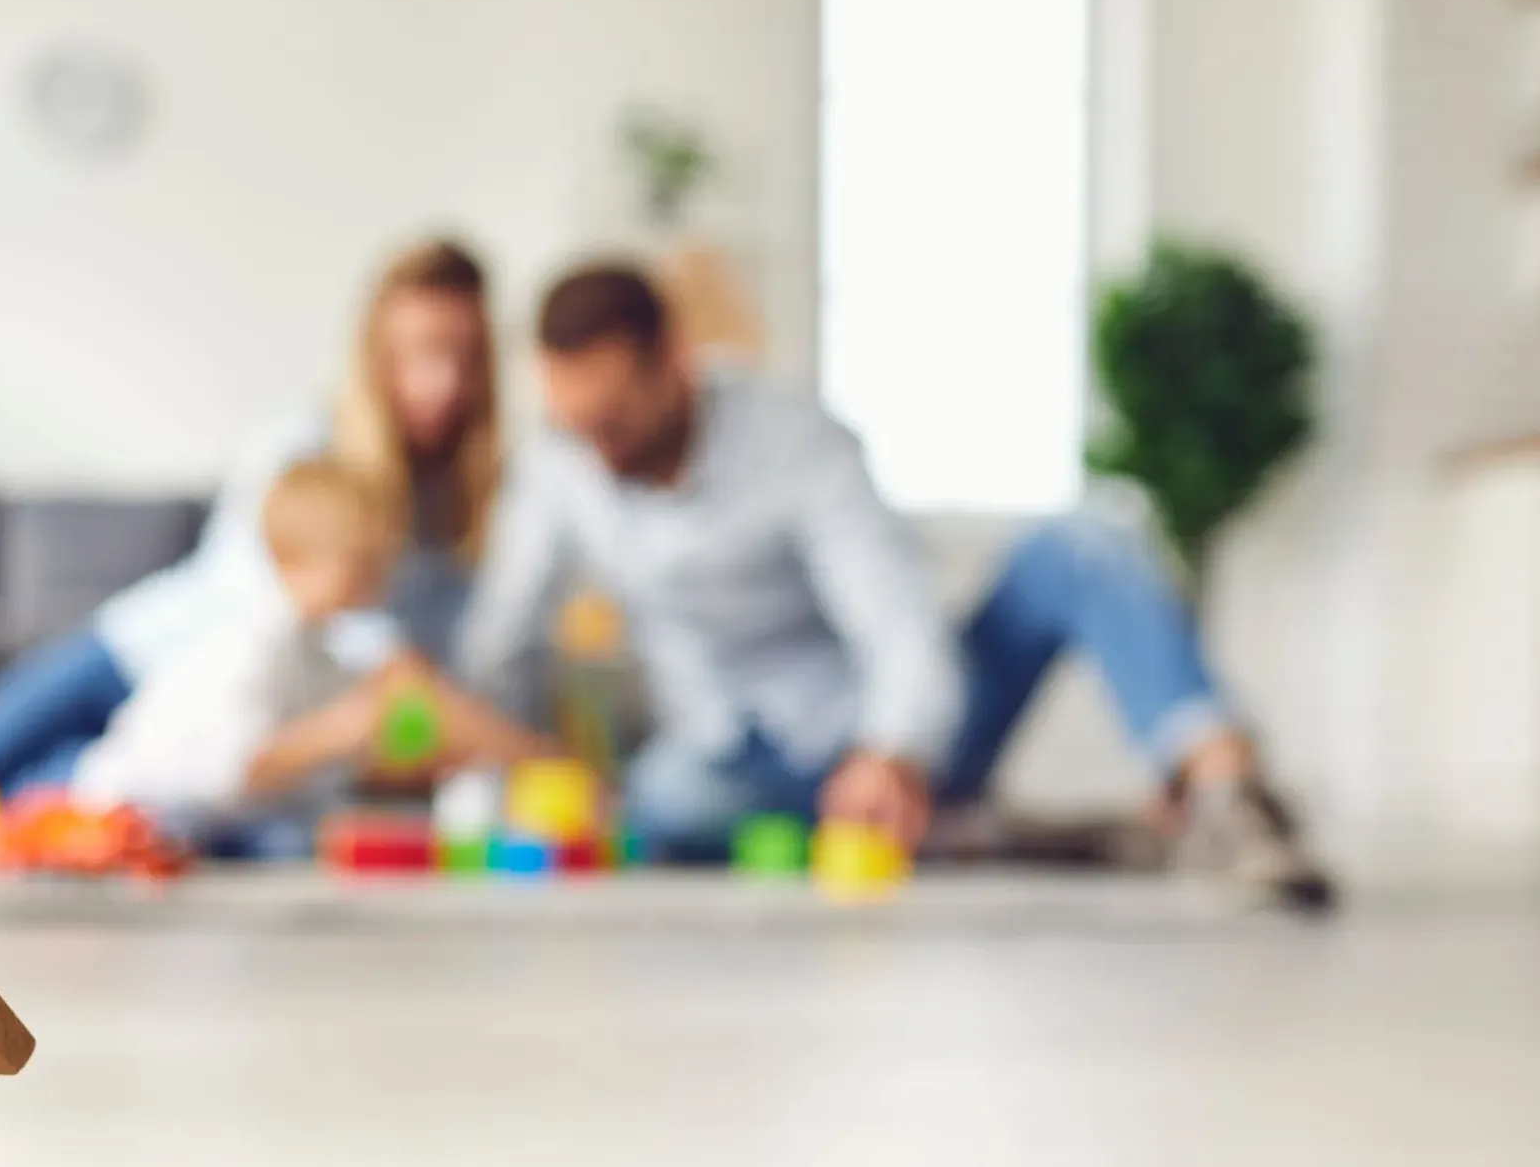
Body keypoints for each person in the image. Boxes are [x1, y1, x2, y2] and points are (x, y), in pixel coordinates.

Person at [460, 264, 1334, 909]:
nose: (597, 448)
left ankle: (1227, 796)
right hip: (729, 760)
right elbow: (503, 639)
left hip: (887, 735)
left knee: (1087, 539)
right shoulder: (558, 469)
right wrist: (489, 768)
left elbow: (895, 619)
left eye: (612, 419)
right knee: (667, 804)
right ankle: (979, 834)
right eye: (575, 425)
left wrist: (892, 748)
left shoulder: (795, 443)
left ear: (675, 365)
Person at [0, 237, 504, 790]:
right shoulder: (301, 444)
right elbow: (291, 594)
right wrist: (398, 668)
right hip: (136, 657)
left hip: (206, 737)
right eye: (421, 353)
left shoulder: (464, 502)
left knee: (26, 809)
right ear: (376, 353)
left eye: (464, 357)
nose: (442, 382)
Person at [71, 461, 547, 856]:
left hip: (209, 823)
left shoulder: (319, 648)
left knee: (320, 832)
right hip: (127, 811)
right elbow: (235, 770)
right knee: (294, 843)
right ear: (292, 559)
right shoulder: (251, 646)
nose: (379, 578)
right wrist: (339, 731)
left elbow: (347, 749)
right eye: (361, 562)